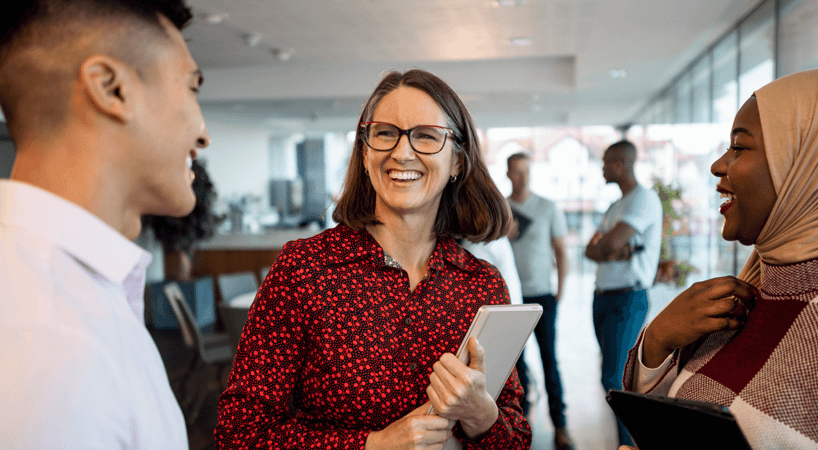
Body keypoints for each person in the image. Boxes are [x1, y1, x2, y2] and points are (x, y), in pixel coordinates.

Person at [215, 69, 531, 449]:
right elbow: (239, 433)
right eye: (384, 133)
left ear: (458, 163)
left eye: (426, 136)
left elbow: (516, 436)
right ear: (365, 153)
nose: (401, 152)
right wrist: (372, 445)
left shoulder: (482, 284)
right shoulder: (304, 269)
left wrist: (482, 415)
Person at [621, 66, 818, 449]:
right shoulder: (752, 289)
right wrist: (658, 340)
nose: (718, 165)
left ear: (810, 166)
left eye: (739, 147)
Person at [0, 0, 209, 447]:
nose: (203, 133)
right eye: (192, 88)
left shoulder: (64, 296)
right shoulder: (50, 338)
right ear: (111, 89)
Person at [584, 140, 661, 447]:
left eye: (605, 163)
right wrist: (609, 248)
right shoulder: (616, 206)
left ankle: (631, 444)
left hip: (626, 299)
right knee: (612, 377)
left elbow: (608, 245)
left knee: (616, 380)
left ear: (619, 164)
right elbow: (592, 250)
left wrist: (609, 247)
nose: (602, 168)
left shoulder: (643, 199)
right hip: (604, 297)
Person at [506, 152, 575, 450]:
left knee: (550, 361)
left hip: (542, 296)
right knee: (514, 365)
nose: (522, 177)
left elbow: (561, 251)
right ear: (508, 174)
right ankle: (521, 423)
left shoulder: (547, 208)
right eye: (517, 172)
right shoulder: (500, 209)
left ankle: (561, 426)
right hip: (509, 300)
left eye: (526, 172)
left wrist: (559, 292)